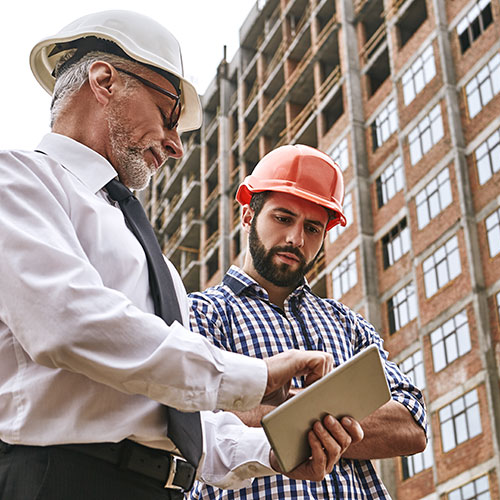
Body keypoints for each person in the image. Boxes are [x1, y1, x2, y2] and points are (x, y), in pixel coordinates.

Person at [0, 11, 363, 500]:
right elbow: (68, 323)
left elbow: (180, 422)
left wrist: (271, 452)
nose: (174, 145)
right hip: (62, 479)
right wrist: (255, 376)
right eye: (168, 114)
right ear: (105, 81)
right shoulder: (19, 182)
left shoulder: (158, 264)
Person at [189, 145, 428, 499]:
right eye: (283, 218)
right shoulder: (201, 313)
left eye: (313, 228)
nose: (296, 239)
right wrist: (342, 417)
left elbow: (411, 425)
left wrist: (276, 412)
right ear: (247, 215)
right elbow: (192, 419)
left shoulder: (346, 323)